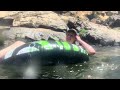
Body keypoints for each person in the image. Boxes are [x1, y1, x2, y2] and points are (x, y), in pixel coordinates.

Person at [0, 29, 96, 60]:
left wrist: (80, 40)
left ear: (75, 38)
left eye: (72, 35)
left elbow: (92, 51)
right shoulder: (59, 44)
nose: (69, 37)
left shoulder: (78, 48)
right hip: (45, 58)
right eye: (68, 35)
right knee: (19, 43)